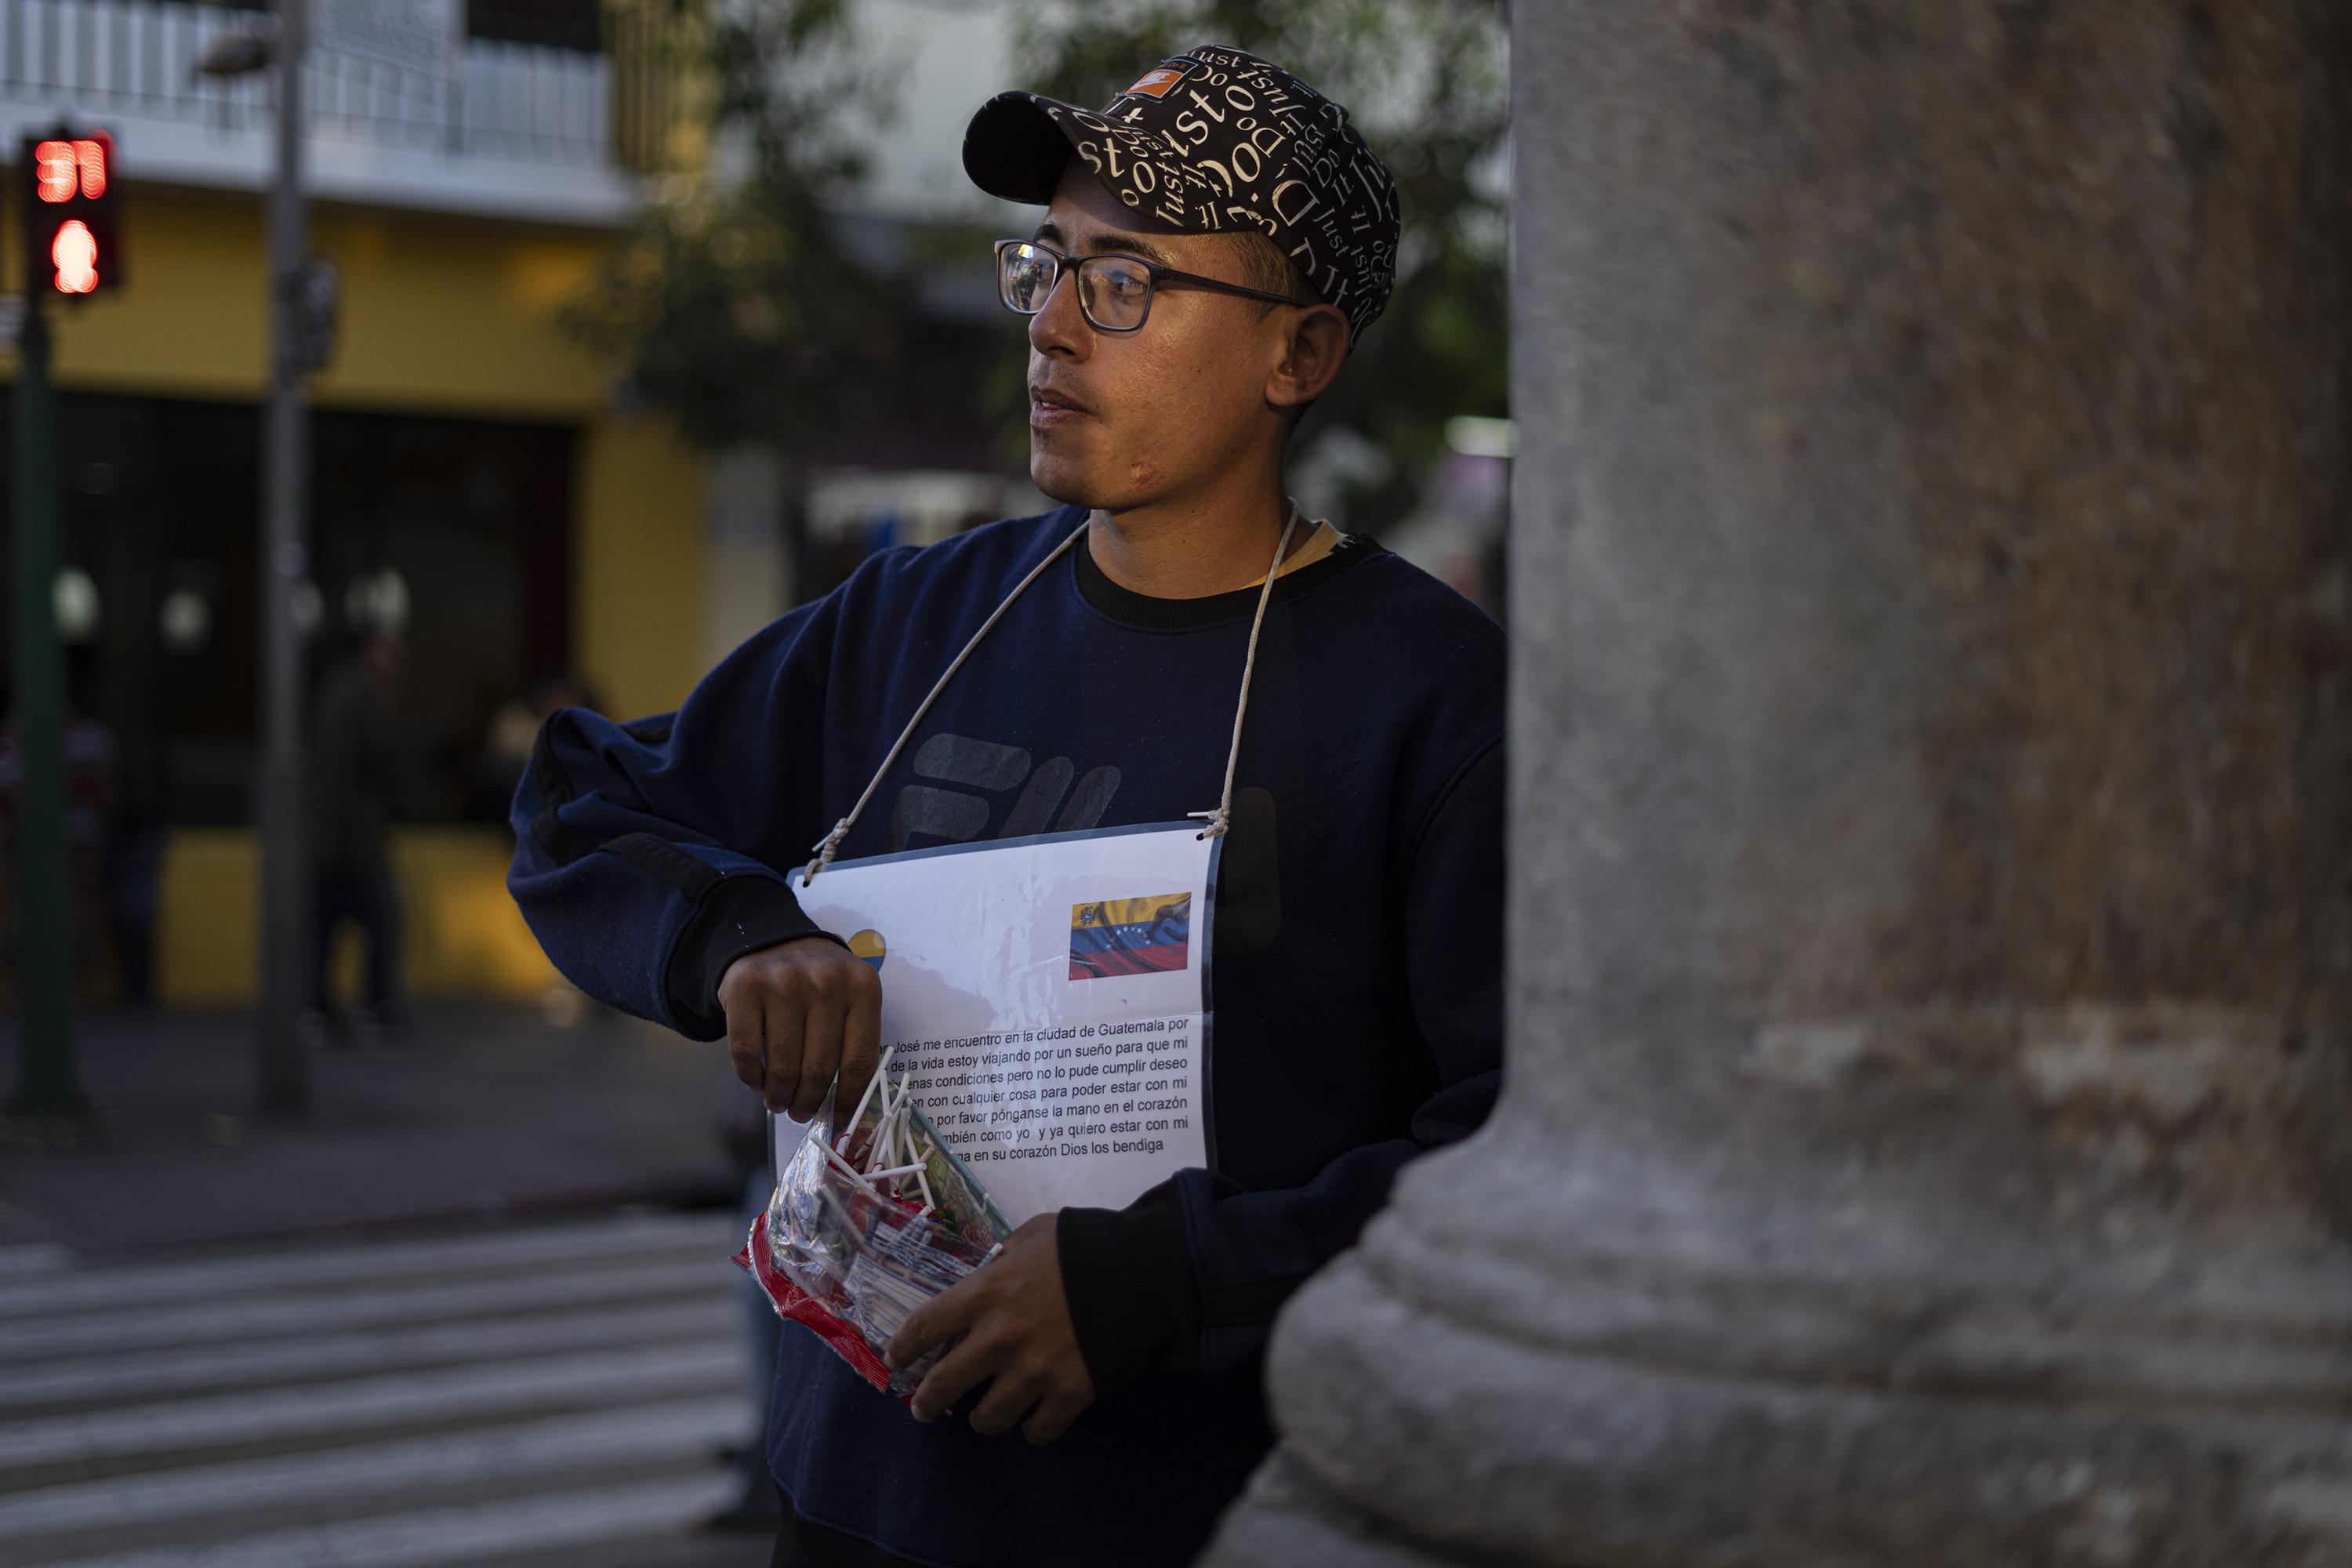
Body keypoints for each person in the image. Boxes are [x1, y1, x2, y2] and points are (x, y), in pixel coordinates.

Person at [508, 44, 1501, 1568]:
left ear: (1297, 354)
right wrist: (738, 936)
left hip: (1212, 1518)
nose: (1047, 325)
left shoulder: (1434, 700)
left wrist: (1161, 1281)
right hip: (858, 1501)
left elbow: (1516, 1143)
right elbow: (580, 801)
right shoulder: (917, 621)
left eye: (1125, 282)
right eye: (1045, 265)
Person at [309, 628, 413, 1040]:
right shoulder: (367, 695)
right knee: (384, 920)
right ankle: (378, 1004)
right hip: (354, 838)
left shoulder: (336, 690)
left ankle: (318, 1007)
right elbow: (383, 756)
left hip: (328, 835)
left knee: (324, 927)